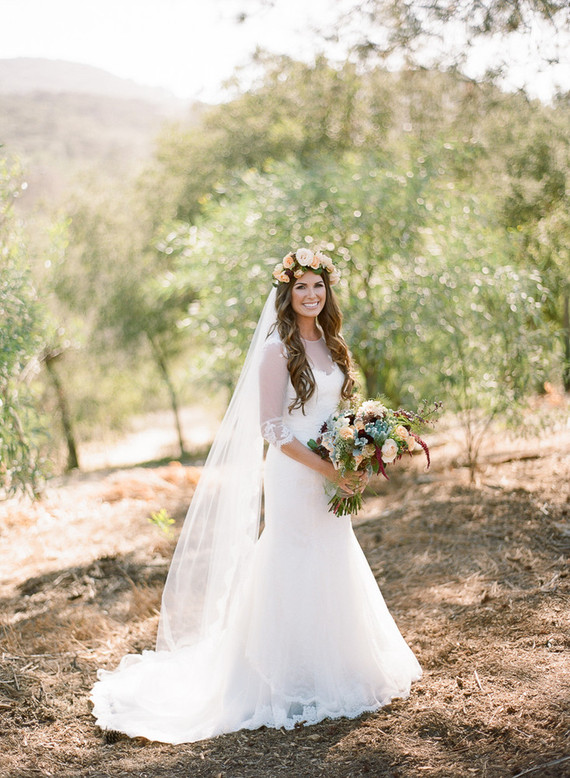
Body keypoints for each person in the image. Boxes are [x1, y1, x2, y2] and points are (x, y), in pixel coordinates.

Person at [91, 248, 421, 744]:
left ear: (328, 292)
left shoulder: (333, 345)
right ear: (286, 295)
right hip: (294, 471)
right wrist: (328, 467)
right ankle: (282, 676)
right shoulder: (276, 350)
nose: (311, 294)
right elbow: (273, 428)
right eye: (300, 287)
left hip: (332, 466)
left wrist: (355, 452)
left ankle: (338, 666)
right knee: (292, 554)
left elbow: (337, 413)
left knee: (333, 551)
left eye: (318, 286)